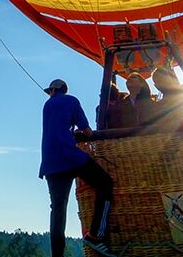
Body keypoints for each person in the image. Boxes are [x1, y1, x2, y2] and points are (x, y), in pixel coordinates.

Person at [39, 79, 115, 257]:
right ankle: (95, 236)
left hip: (50, 162)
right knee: (105, 184)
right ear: (64, 89)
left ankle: (57, 255)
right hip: (70, 156)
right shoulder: (71, 100)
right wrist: (84, 134)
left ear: (53, 90)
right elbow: (87, 130)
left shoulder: (47, 105)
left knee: (58, 209)